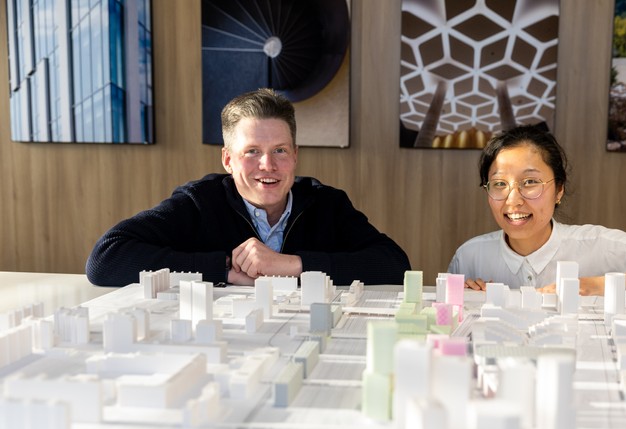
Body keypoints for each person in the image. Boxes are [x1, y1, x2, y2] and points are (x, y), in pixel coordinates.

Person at [86, 89, 411, 287]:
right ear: (228, 160)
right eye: (252, 151)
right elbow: (105, 259)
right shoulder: (199, 202)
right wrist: (224, 268)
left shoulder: (328, 204)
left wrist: (291, 265)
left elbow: (395, 265)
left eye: (280, 150)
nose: (267, 165)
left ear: (295, 156)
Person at [448, 124, 626, 298]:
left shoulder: (599, 247)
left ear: (559, 190)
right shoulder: (470, 257)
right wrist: (470, 299)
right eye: (499, 184)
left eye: (530, 182)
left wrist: (600, 286)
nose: (513, 200)